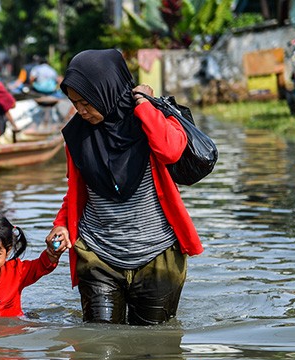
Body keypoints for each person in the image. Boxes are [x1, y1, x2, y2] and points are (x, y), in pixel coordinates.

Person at [46, 49, 203, 325]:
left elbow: (170, 151)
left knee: (153, 352)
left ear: (106, 91)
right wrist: (60, 224)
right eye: (75, 103)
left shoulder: (151, 119)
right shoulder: (77, 135)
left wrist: (144, 104)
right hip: (98, 256)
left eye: (86, 102)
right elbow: (76, 191)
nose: (80, 110)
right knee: (99, 347)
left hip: (158, 256)